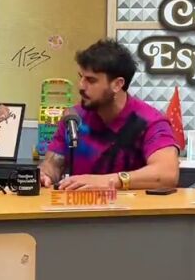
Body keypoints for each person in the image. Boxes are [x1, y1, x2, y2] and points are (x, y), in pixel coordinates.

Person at [40, 39, 180, 190]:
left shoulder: (150, 121)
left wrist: (108, 181)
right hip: (80, 204)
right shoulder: (74, 118)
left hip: (129, 205)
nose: (81, 86)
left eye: (91, 80)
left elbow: (167, 174)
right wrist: (44, 175)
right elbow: (53, 164)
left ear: (117, 84)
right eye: (81, 77)